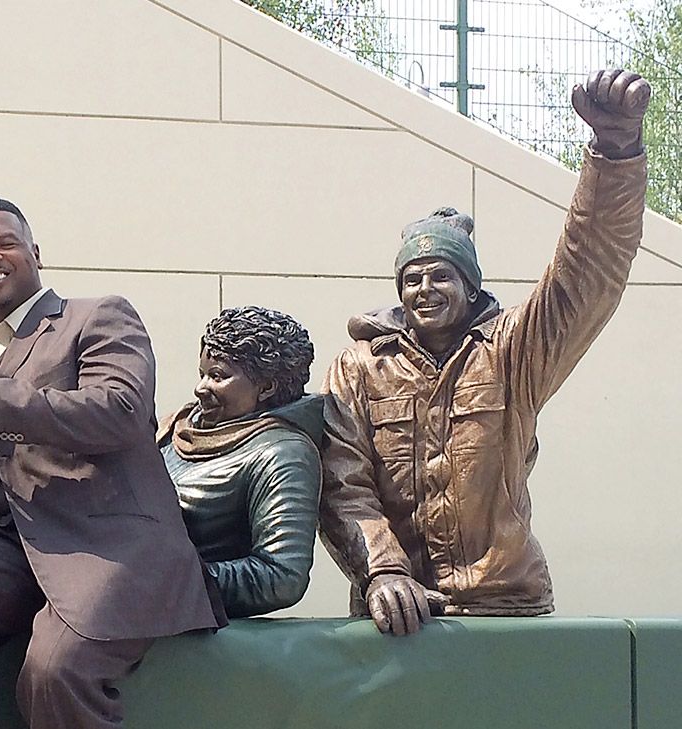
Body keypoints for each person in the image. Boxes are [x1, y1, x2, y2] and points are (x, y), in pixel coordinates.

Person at [318, 69, 651, 636]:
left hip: (504, 610)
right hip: (400, 617)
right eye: (412, 279)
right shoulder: (359, 369)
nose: (425, 289)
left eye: (441, 276)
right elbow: (341, 477)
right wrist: (382, 572)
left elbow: (587, 271)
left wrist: (613, 154)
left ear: (470, 286)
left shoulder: (514, 353)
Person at [0, 198, 223, 729]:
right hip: (4, 546)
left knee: (53, 671)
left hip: (106, 545)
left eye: (5, 243)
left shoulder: (98, 316)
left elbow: (123, 411)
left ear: (36, 253)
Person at [158, 306, 324, 618]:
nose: (201, 388)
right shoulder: (176, 426)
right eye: (202, 374)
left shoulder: (283, 454)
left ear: (267, 387)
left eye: (218, 376)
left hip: (190, 631)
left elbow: (282, 578)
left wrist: (168, 582)